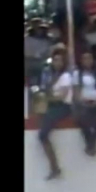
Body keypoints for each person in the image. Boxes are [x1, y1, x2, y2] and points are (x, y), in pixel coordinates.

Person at [37, 45, 72, 180]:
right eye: (55, 60)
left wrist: (48, 98)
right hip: (52, 106)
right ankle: (54, 167)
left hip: (62, 107)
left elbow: (61, 97)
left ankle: (54, 167)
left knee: (42, 135)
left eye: (60, 60)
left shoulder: (66, 76)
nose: (57, 63)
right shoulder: (49, 74)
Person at [72, 50, 96, 156]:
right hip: (83, 102)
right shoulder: (77, 74)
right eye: (85, 58)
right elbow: (76, 91)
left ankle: (91, 143)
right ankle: (91, 144)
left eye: (89, 58)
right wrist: (81, 100)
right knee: (80, 118)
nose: (87, 61)